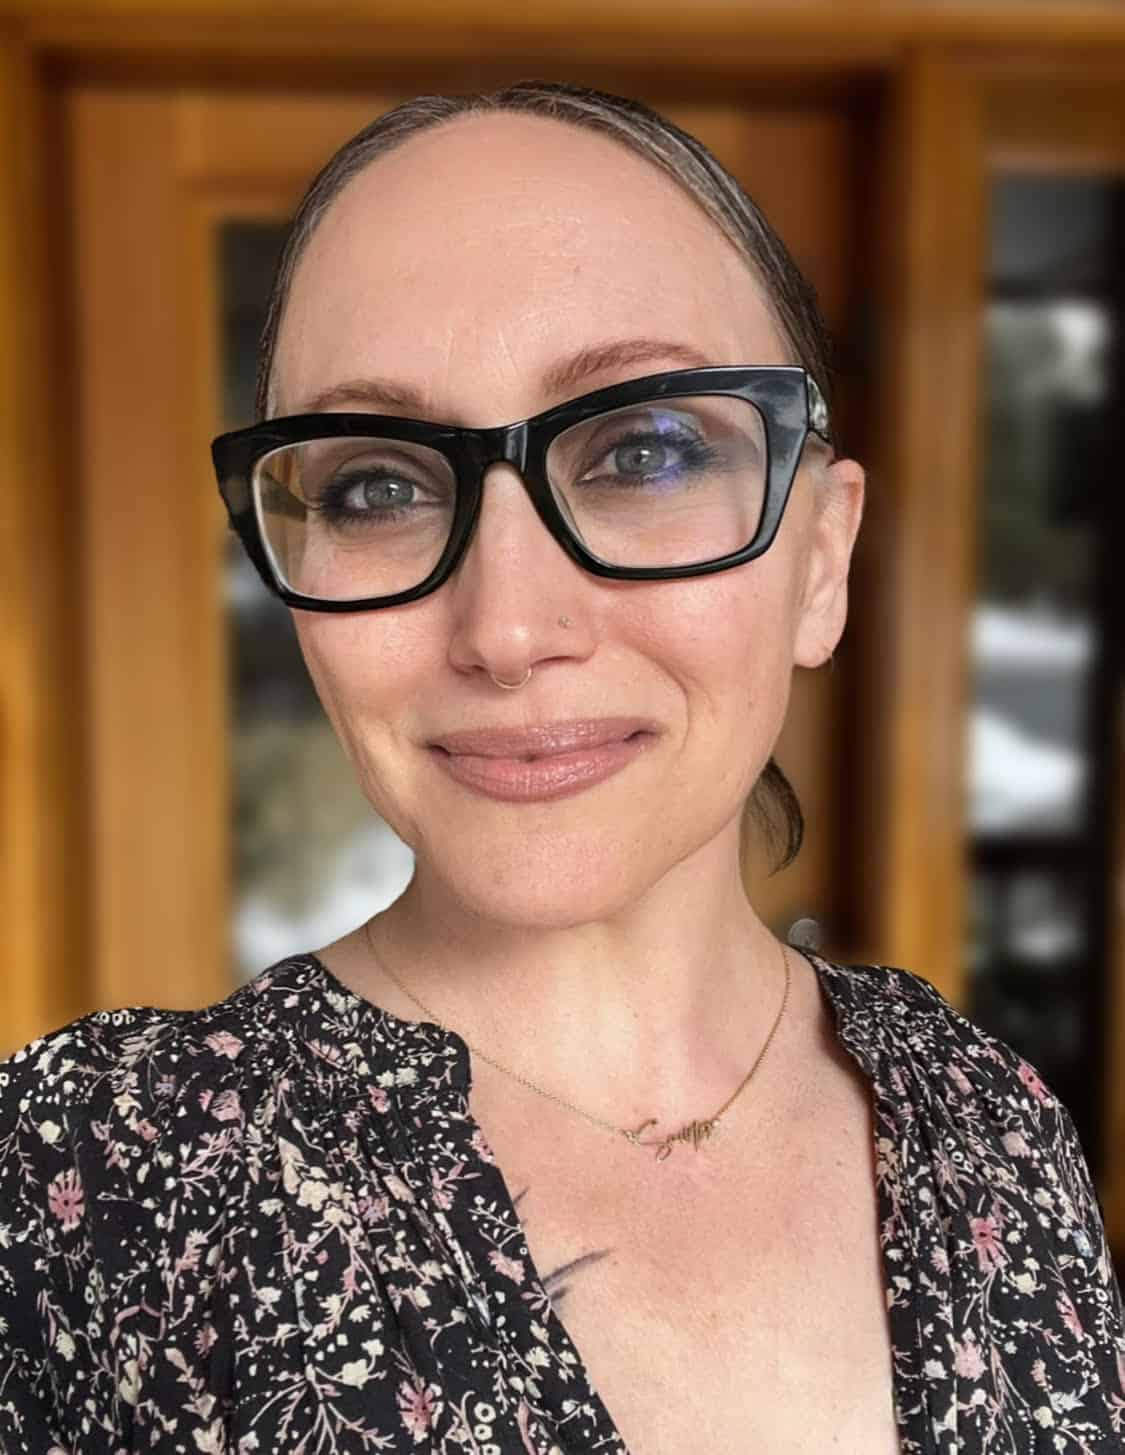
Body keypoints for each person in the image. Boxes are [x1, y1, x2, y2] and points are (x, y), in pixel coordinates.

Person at [1, 81, 1122, 1455]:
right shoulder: (87, 1179)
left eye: (642, 449)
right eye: (377, 485)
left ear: (818, 561)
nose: (508, 629)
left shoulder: (993, 1127)